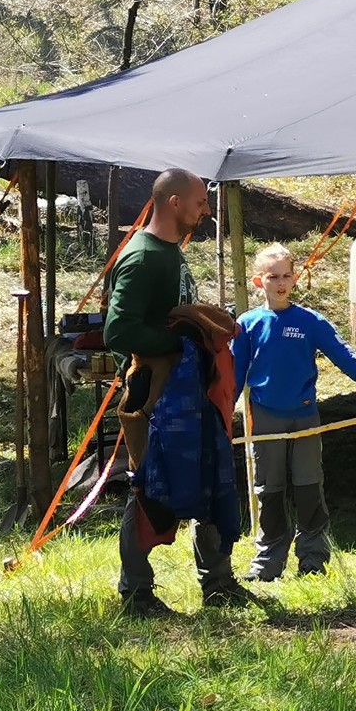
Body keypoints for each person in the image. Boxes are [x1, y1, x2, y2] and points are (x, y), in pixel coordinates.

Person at [104, 169, 247, 616]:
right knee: (149, 487)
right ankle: (136, 593)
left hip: (191, 393)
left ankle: (219, 582)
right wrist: (184, 344)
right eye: (200, 202)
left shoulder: (170, 253)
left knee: (207, 476)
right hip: (157, 396)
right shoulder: (144, 258)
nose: (205, 210)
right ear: (173, 203)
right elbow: (118, 329)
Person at [232, 244, 356, 581]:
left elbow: (347, 358)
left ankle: (313, 558)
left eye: (287, 275)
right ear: (259, 282)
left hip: (304, 417)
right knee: (268, 490)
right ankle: (268, 561)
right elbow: (234, 373)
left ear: (295, 277)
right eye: (273, 277)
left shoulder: (310, 322)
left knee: (308, 485)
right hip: (265, 417)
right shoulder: (248, 324)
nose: (281, 282)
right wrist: (221, 413)